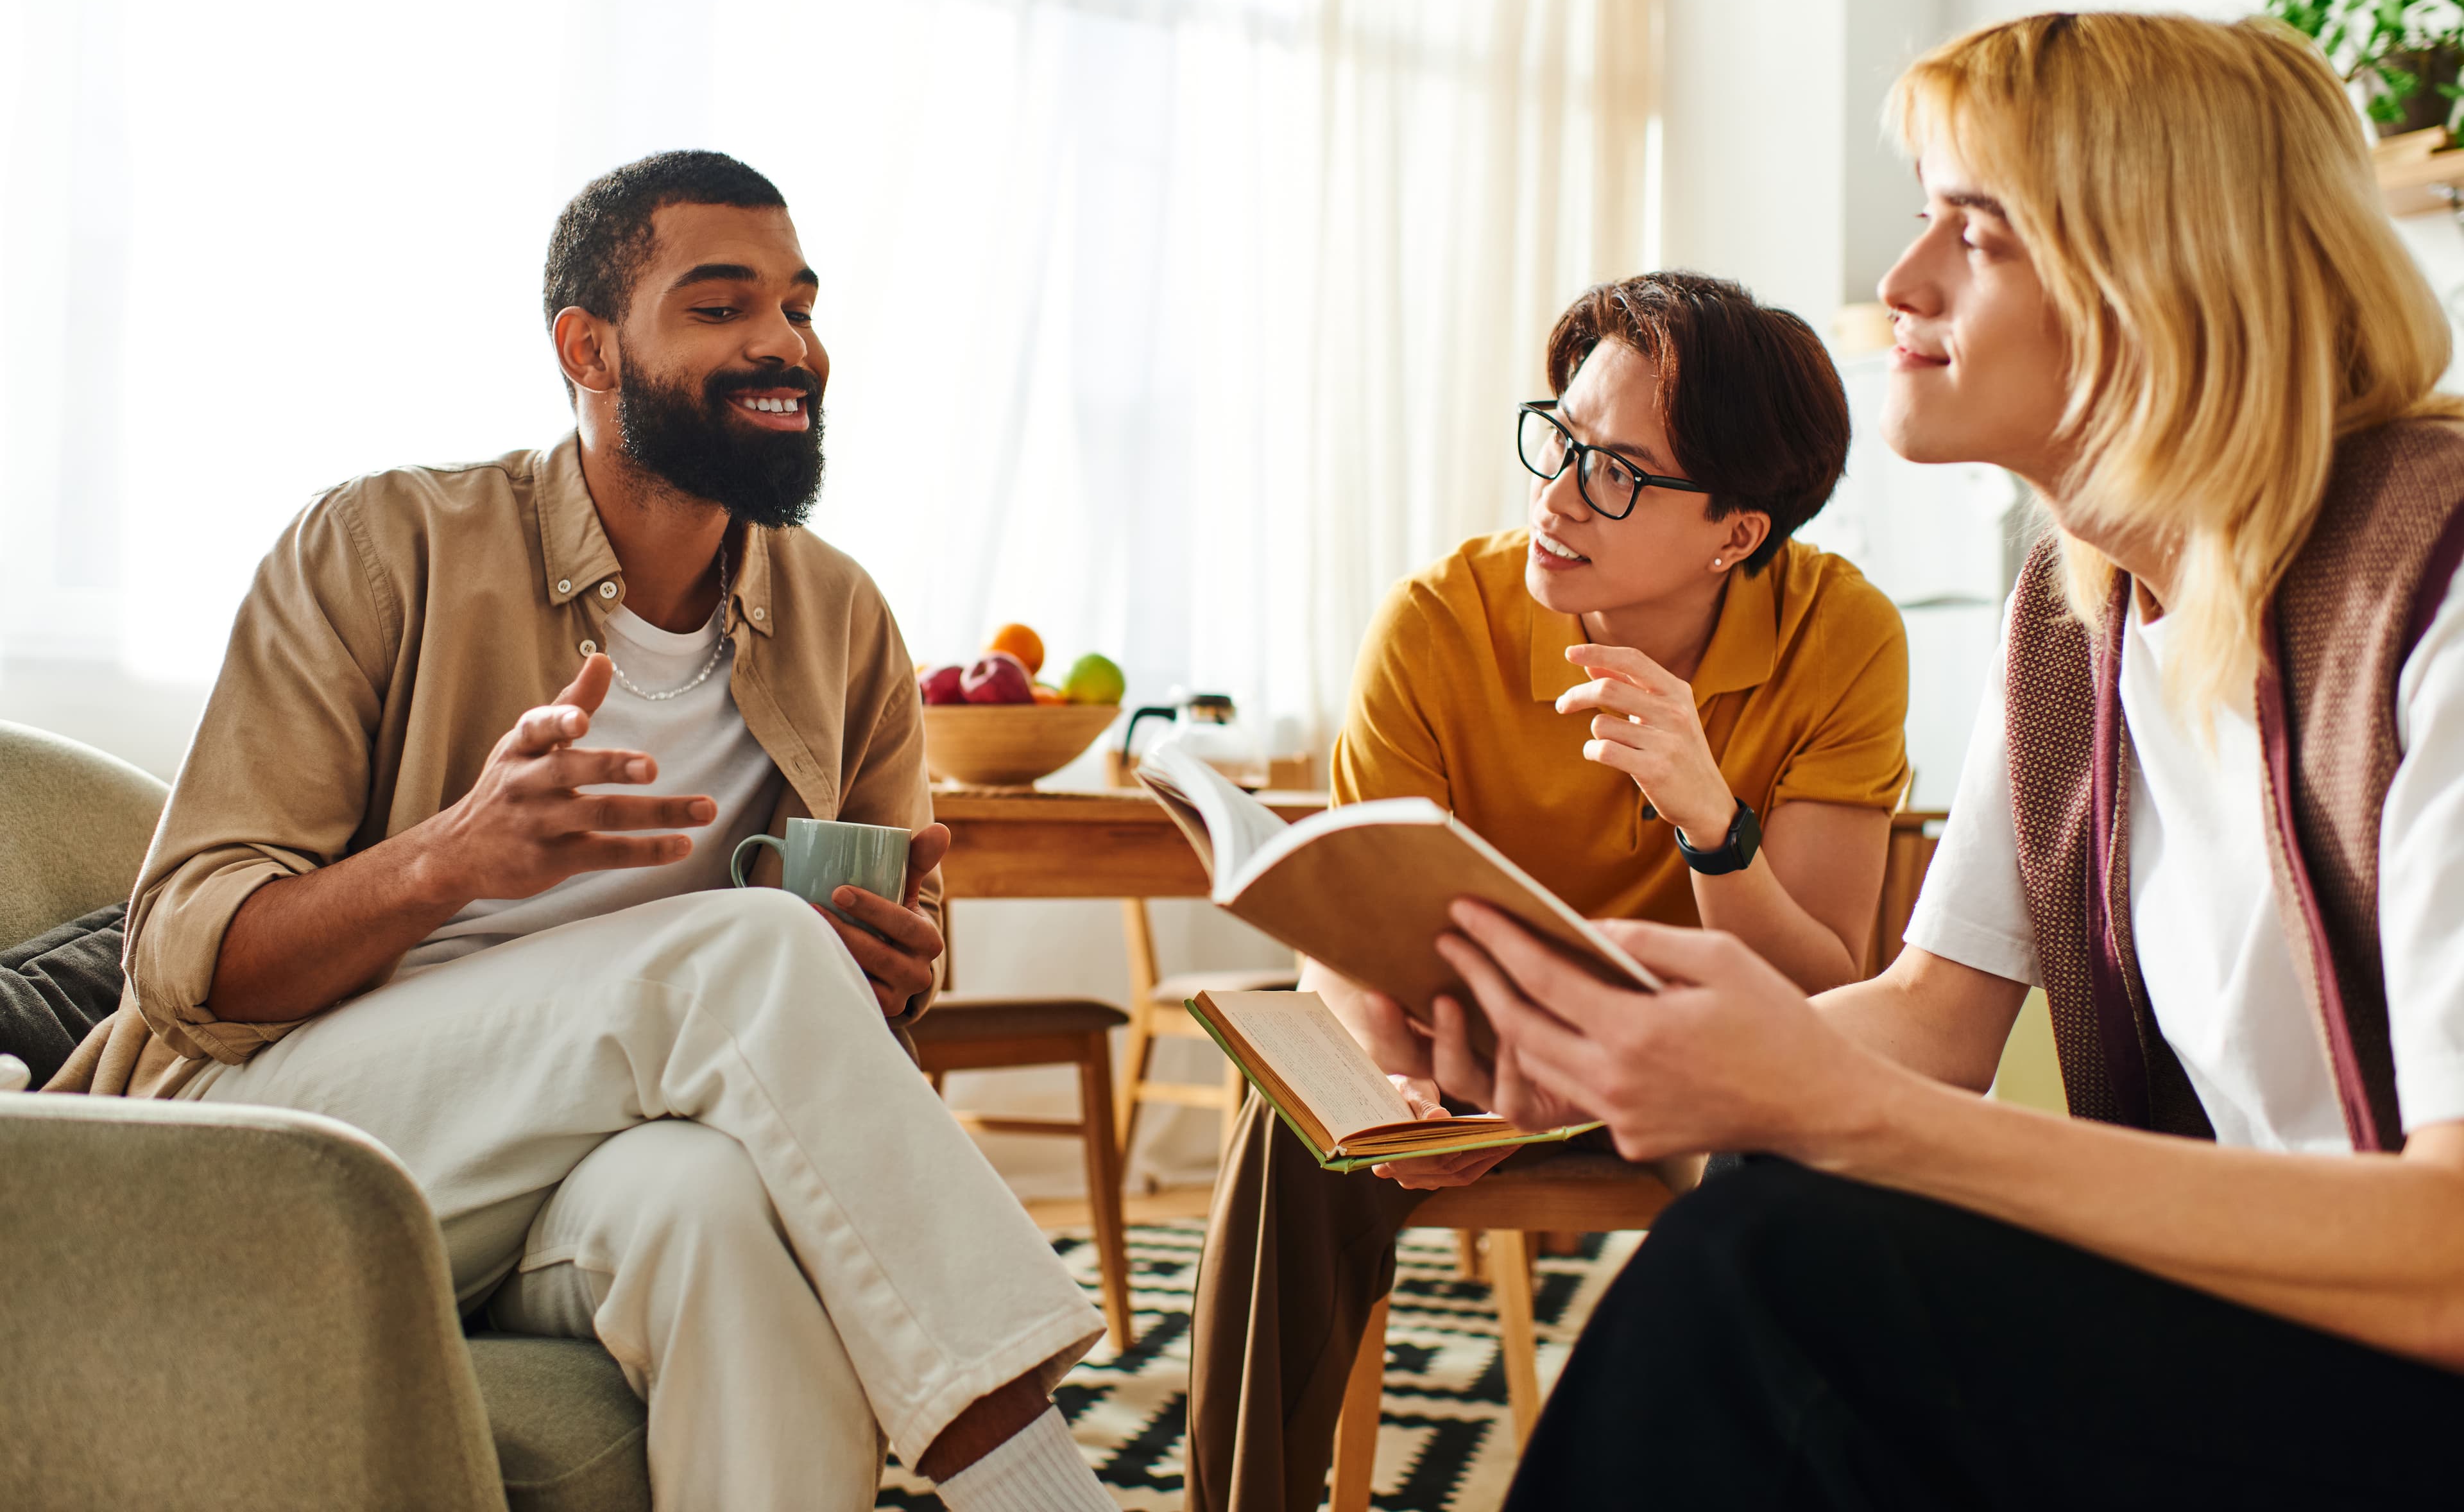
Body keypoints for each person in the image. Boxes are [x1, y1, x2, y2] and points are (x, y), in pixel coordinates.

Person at [1435, 13, 2464, 1509]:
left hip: (2412, 1367)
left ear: (2169, 274)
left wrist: (1831, 1102)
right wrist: (1622, 1044)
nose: (1901, 282)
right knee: (1775, 1192)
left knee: (1777, 1266)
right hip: (2286, 1336)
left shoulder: (2437, 587)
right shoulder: (2073, 615)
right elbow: (1930, 1015)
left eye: (1972, 232)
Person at [46, 151, 1118, 1512]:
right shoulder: (382, 546)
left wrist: (898, 973)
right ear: (589, 348)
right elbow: (184, 962)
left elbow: (860, 1001)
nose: (786, 344)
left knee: (714, 1214)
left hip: (564, 1170)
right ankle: (1037, 1486)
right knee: (744, 948)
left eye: (799, 306)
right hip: (271, 1150)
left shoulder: (841, 619)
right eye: (722, 307)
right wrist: (450, 858)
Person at [1187, 271, 1912, 1511]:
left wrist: (1709, 820)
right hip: (1459, 1046)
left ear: (1737, 534)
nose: (1558, 495)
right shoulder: (1436, 623)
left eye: (1616, 472)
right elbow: (1345, 935)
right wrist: (1403, 1096)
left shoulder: (1842, 636)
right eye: (1561, 438)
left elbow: (1822, 989)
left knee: (1808, 1153)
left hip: (1698, 1068)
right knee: (1290, 1112)